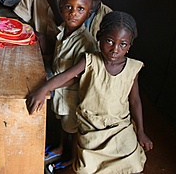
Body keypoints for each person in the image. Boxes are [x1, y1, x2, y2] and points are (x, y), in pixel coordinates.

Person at [26, 11, 153, 173]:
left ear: (129, 46)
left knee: (133, 164)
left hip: (119, 126)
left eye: (123, 44)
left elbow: (135, 100)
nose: (115, 49)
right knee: (86, 168)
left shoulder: (133, 68)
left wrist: (141, 131)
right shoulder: (90, 60)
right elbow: (65, 76)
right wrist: (43, 89)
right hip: (91, 125)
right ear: (99, 38)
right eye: (109, 41)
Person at [45, 0, 98, 169]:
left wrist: (50, 86)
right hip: (60, 91)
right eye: (68, 7)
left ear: (88, 13)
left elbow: (76, 78)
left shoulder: (86, 42)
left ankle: (73, 159)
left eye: (80, 9)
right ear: (61, 8)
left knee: (73, 128)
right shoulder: (62, 31)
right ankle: (60, 148)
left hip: (72, 96)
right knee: (62, 122)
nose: (73, 13)